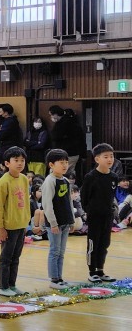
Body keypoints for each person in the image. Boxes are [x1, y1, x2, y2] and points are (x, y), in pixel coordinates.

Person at [0, 146, 30, 297]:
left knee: (16, 258)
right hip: (8, 227)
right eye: (16, 160)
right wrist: (0, 227)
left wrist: (26, 222)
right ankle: (3, 286)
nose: (20, 163)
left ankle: (12, 285)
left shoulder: (24, 179)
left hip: (21, 225)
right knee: (6, 258)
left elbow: (26, 203)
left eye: (22, 160)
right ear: (7, 163)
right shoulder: (4, 181)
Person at [80, 143, 118, 283]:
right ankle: (92, 272)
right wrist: (89, 212)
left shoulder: (114, 177)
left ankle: (100, 270)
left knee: (104, 244)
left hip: (108, 217)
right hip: (94, 217)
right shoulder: (91, 177)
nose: (110, 159)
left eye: (111, 156)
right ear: (97, 159)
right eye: (106, 156)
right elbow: (84, 198)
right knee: (93, 244)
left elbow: (111, 197)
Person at [41, 150, 75, 289]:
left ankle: (60, 278)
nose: (65, 165)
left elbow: (69, 202)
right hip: (55, 223)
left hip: (65, 221)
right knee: (54, 251)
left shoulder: (65, 181)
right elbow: (47, 204)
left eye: (66, 162)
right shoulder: (49, 181)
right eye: (61, 162)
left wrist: (71, 220)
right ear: (51, 165)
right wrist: (53, 223)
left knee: (61, 252)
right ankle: (54, 279)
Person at [50, 107, 87, 175]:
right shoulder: (76, 125)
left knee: (57, 174)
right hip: (74, 153)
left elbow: (55, 136)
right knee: (70, 174)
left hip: (63, 153)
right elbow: (82, 140)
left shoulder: (62, 124)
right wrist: (83, 154)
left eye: (51, 115)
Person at [0, 104, 22, 170]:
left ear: (6, 112)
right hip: (2, 147)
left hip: (7, 147)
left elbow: (1, 136)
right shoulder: (1, 122)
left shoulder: (10, 122)